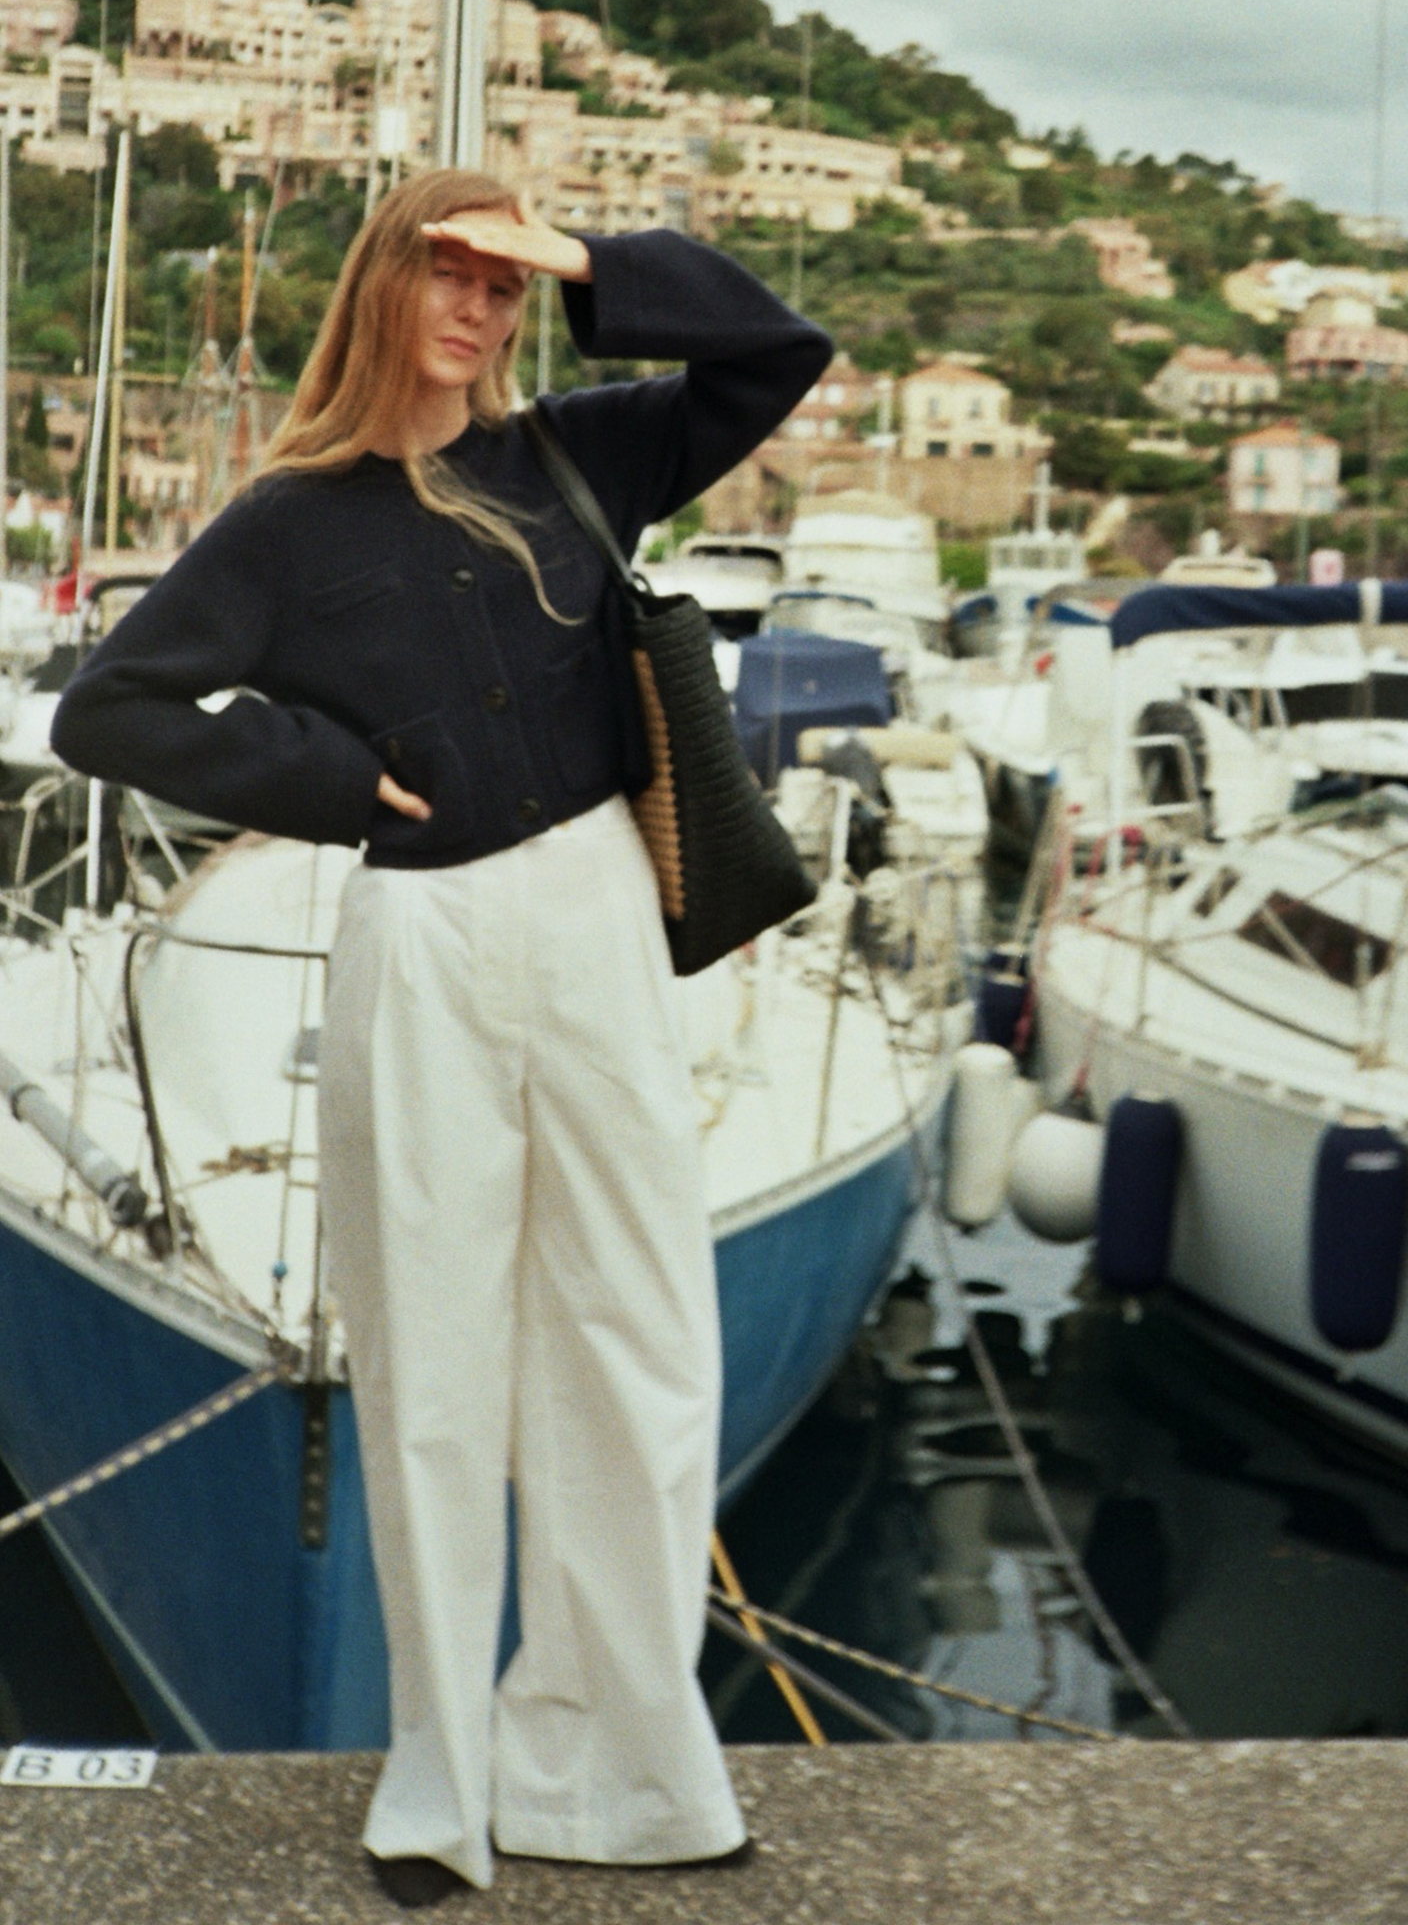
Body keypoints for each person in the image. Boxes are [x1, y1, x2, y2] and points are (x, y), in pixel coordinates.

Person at [51, 170, 832, 1909]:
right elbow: (107, 708)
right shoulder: (289, 521)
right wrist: (324, 781)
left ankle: (622, 1771)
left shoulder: (572, 453)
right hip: (423, 931)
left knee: (639, 1337)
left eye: (504, 284)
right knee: (428, 1361)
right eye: (450, 275)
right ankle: (441, 1784)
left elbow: (777, 355)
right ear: (383, 288)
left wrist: (594, 266)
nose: (478, 312)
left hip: (600, 911)